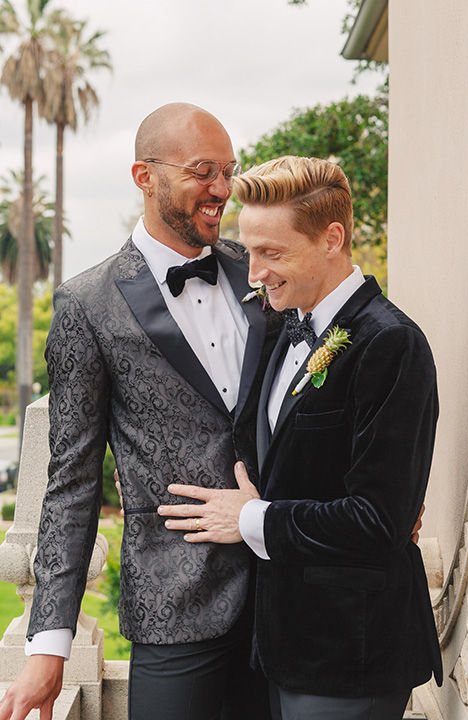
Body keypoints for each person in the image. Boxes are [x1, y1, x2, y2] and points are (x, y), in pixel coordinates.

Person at [0, 104, 280, 720]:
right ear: (143, 176)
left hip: (289, 598)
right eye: (203, 171)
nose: (221, 190)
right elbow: (70, 482)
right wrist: (49, 645)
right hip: (175, 607)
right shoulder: (86, 304)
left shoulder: (260, 269)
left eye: (228, 170)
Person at [157, 156, 443, 720]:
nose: (253, 270)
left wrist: (249, 519)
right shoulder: (282, 326)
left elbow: (378, 522)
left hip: (349, 652)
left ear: (332, 238)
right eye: (250, 249)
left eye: (272, 252)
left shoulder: (392, 345)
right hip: (280, 645)